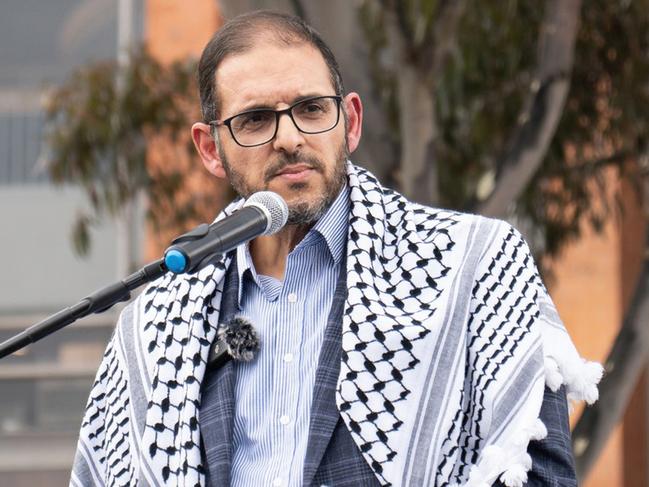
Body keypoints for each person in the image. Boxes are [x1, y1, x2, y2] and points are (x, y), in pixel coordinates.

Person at [70, 10, 601, 487]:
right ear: (211, 149)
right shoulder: (157, 322)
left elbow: (541, 476)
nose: (289, 138)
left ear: (350, 121)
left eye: (311, 108)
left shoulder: (474, 265)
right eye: (255, 119)